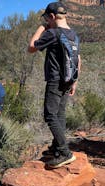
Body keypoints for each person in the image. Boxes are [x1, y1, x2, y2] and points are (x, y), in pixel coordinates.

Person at [28, 2, 81, 168]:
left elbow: (31, 47)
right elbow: (78, 59)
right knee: (60, 114)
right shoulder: (73, 34)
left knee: (50, 115)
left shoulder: (52, 33)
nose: (46, 21)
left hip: (55, 80)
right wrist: (75, 82)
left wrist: (42, 27)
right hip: (68, 80)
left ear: (51, 17)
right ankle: (56, 147)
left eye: (46, 18)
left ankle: (64, 152)